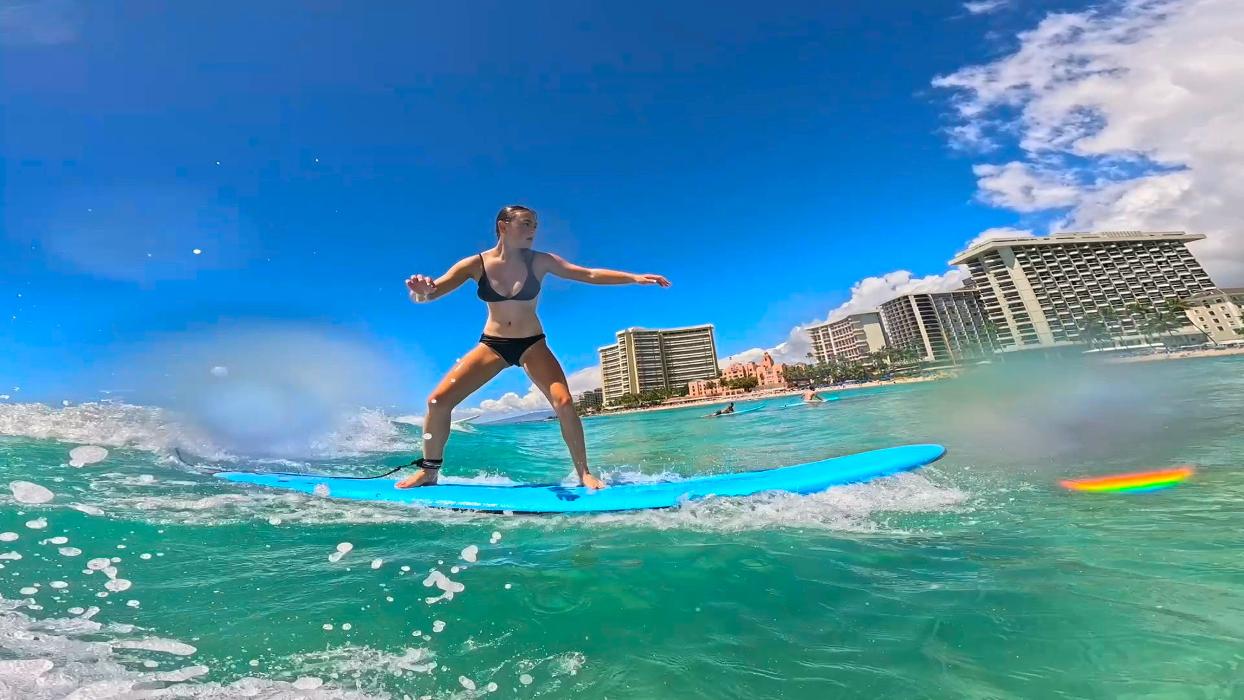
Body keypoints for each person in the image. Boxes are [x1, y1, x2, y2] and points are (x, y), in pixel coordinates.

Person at [400, 205, 671, 489]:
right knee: (437, 401)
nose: (533, 231)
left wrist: (635, 278)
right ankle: (428, 471)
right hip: (493, 345)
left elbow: (588, 274)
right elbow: (431, 294)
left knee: (564, 403)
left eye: (535, 225)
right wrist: (420, 291)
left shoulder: (540, 261)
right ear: (503, 226)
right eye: (526, 224)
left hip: (532, 344)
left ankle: (584, 473)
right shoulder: (474, 264)